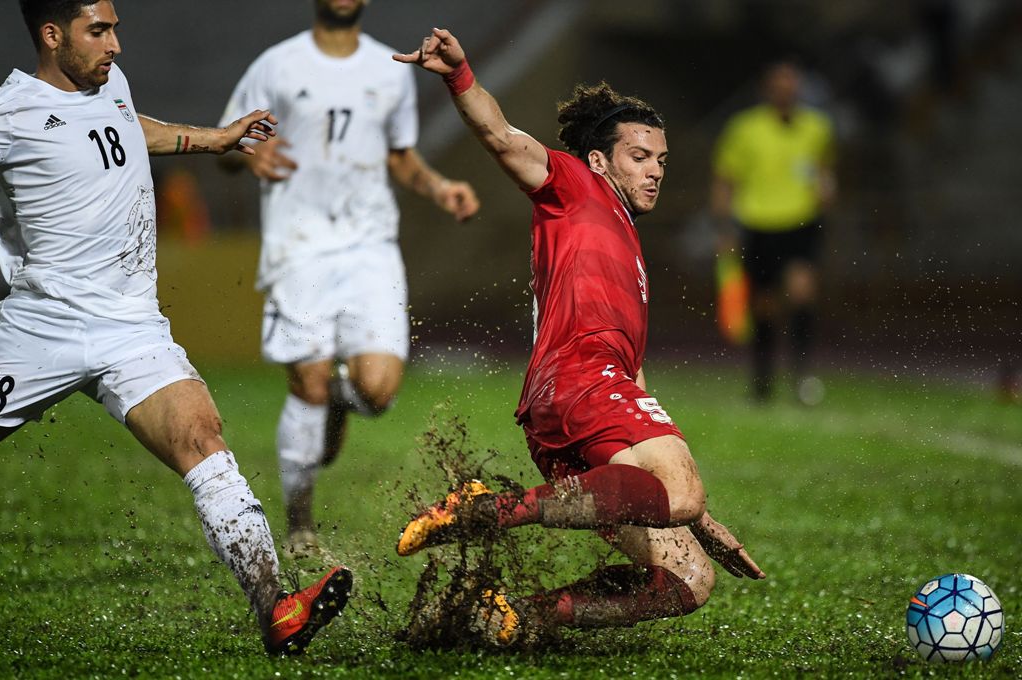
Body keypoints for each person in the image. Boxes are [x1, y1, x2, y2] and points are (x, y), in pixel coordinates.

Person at [392, 28, 765, 647]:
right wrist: (459, 75)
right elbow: (498, 134)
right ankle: (485, 510)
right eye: (640, 157)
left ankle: (521, 616)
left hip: (575, 409)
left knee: (689, 577)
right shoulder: (573, 186)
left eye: (662, 161)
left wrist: (695, 517)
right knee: (681, 490)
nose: (655, 173)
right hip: (577, 380)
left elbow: (639, 392)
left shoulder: (626, 245)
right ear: (600, 160)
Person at [0, 0, 351, 656]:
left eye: (116, 29)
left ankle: (275, 606)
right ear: (52, 35)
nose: (115, 46)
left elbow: (131, 130)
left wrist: (216, 139)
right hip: (39, 322)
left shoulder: (111, 86)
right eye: (98, 31)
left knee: (201, 435)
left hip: (130, 327)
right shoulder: (9, 114)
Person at [219, 0, 480, 554]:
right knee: (306, 384)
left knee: (378, 391)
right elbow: (224, 143)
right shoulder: (277, 66)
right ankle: (298, 526)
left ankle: (341, 398)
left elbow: (400, 158)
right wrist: (248, 155)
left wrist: (439, 189)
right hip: (300, 247)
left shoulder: (389, 68)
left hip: (369, 247)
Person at [710, 61, 837, 404]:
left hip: (800, 221)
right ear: (767, 90)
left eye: (792, 85)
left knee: (802, 293)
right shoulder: (744, 129)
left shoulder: (817, 127)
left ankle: (803, 377)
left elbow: (824, 171)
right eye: (780, 85)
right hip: (758, 223)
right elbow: (726, 180)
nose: (786, 92)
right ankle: (763, 379)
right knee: (764, 306)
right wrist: (724, 228)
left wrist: (827, 191)